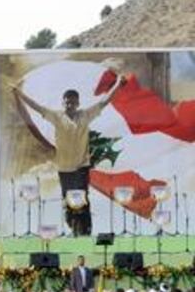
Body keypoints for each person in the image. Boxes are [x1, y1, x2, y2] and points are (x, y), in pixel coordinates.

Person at [12, 76, 125, 235]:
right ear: (63, 103)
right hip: (64, 168)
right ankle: (73, 229)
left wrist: (118, 84)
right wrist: (19, 94)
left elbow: (105, 101)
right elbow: (36, 107)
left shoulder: (86, 115)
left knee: (83, 199)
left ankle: (86, 231)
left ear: (78, 103)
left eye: (73, 102)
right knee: (69, 201)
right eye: (67, 102)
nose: (70, 105)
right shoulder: (56, 117)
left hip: (81, 166)